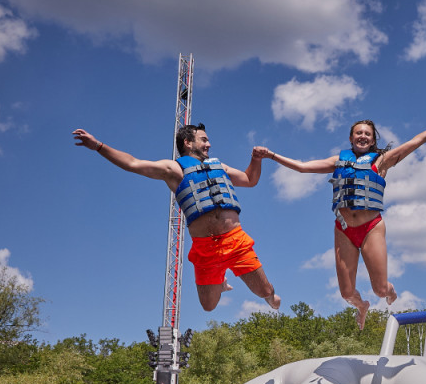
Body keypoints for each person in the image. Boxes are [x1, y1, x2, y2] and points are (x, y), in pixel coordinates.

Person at [257, 100, 426, 329]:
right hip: (344, 229)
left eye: (367, 134)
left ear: (373, 140)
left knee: (380, 289)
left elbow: (415, 142)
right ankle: (362, 306)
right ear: (351, 138)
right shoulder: (337, 161)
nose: (362, 136)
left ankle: (390, 290)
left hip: (371, 228)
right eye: (358, 133)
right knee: (347, 293)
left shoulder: (382, 161)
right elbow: (302, 167)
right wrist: (271, 156)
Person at [72, 124, 280, 312]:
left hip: (235, 241)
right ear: (188, 143)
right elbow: (132, 163)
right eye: (204, 140)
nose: (209, 144)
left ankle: (270, 296)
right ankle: (220, 280)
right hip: (205, 248)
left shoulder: (220, 167)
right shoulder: (174, 169)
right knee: (208, 306)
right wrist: (98, 146)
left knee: (264, 291)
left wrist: (256, 159)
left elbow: (250, 179)